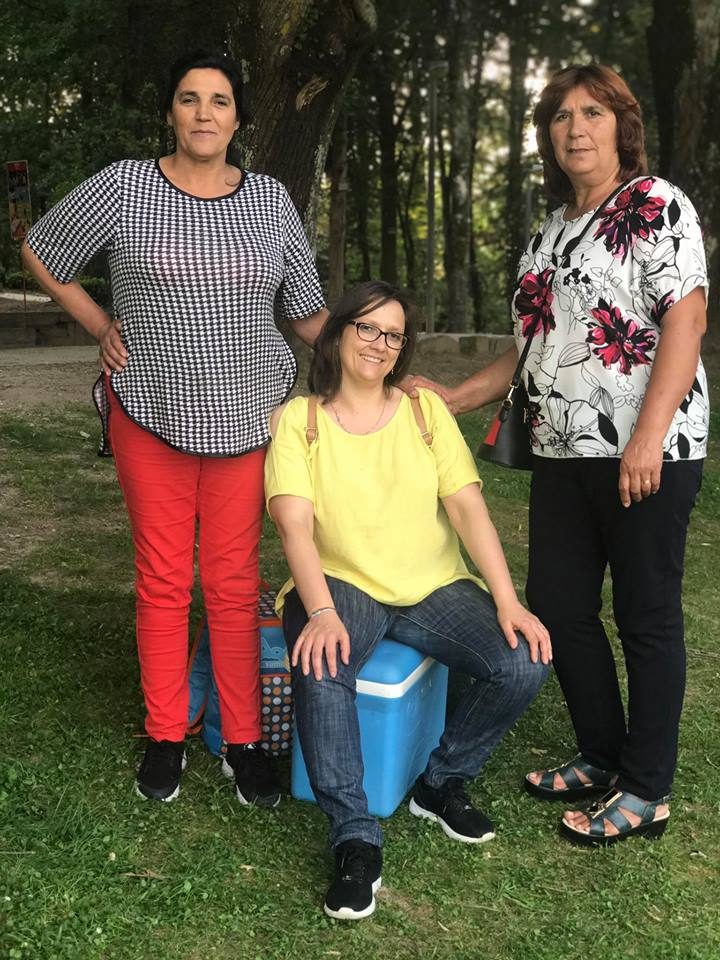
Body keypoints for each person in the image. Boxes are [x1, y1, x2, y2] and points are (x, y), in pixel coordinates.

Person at [410, 64, 708, 846]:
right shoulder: (548, 232)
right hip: (560, 452)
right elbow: (530, 348)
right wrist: (455, 398)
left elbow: (686, 321)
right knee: (559, 607)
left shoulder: (655, 204)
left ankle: (645, 788)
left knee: (645, 616)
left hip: (648, 451)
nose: (576, 128)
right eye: (561, 116)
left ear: (622, 126)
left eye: (593, 113)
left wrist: (647, 437)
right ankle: (601, 753)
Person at [21, 51, 328, 806]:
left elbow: (307, 311)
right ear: (170, 112)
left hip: (247, 420)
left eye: (219, 100)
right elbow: (41, 248)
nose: (203, 113)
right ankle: (165, 733)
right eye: (189, 99)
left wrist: (378, 358)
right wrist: (100, 323)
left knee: (233, 582)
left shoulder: (270, 200)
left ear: (238, 117)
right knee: (162, 579)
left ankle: (244, 741)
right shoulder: (125, 186)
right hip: (149, 413)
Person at [264, 280, 551, 920]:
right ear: (337, 334)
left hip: (431, 584)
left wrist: (508, 601)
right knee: (322, 663)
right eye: (367, 327)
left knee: (523, 659)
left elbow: (468, 508)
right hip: (341, 584)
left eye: (393, 335)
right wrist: (321, 612)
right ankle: (354, 836)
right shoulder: (299, 420)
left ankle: (441, 782)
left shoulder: (425, 413)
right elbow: (294, 526)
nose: (379, 344)